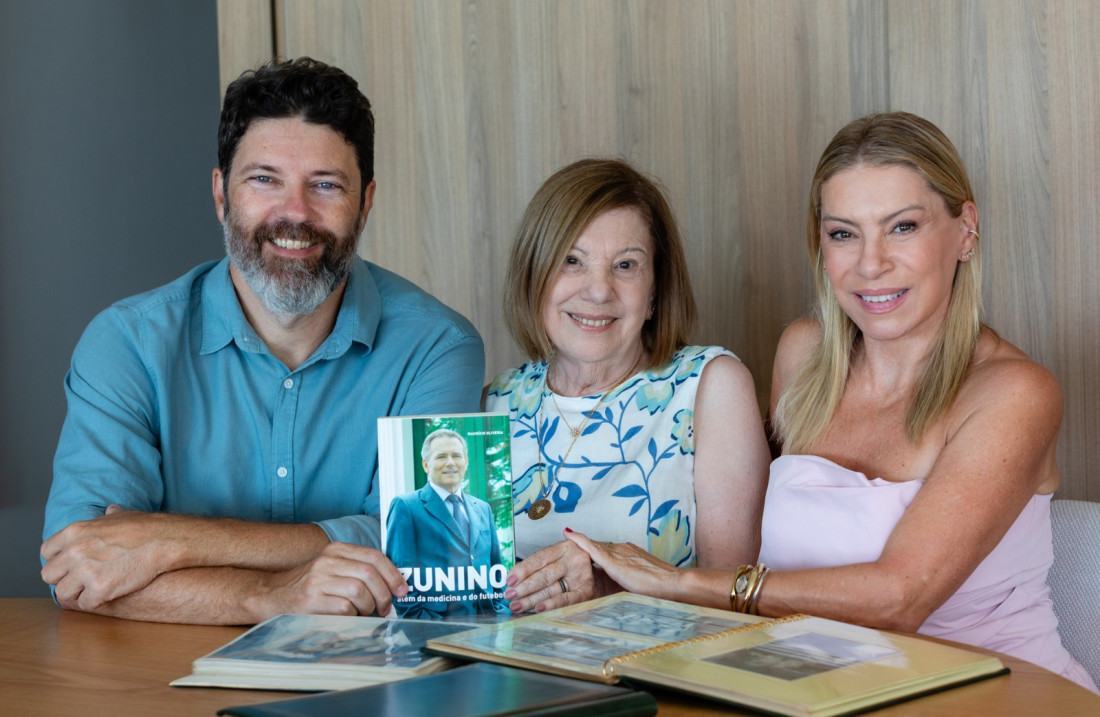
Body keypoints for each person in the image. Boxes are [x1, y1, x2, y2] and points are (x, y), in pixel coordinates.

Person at [564, 113, 1098, 693]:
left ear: (965, 229)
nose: (871, 264)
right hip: (823, 693)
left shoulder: (1014, 392)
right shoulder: (805, 355)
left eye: (902, 228)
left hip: (995, 695)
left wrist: (681, 583)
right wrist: (611, 578)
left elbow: (899, 599)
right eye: (844, 233)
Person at [39, 57, 485, 625]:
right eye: (264, 179)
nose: (294, 214)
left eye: (325, 185)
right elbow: (78, 569)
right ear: (221, 193)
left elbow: (424, 549)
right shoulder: (126, 343)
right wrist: (272, 597)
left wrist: (170, 540)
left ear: (365, 203)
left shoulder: (438, 346)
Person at [486, 158, 770, 613]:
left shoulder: (708, 386)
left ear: (655, 289)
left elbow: (730, 600)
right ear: (534, 276)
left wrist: (606, 588)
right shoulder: (495, 401)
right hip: (511, 675)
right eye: (572, 261)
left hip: (656, 672)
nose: (598, 291)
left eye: (625, 265)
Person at [385, 429, 508, 618]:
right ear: (426, 465)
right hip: (439, 628)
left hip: (491, 624)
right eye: (441, 456)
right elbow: (399, 579)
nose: (450, 462)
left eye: (457, 456)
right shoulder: (406, 506)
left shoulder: (483, 508)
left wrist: (502, 613)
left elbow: (496, 569)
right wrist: (426, 627)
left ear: (465, 463)